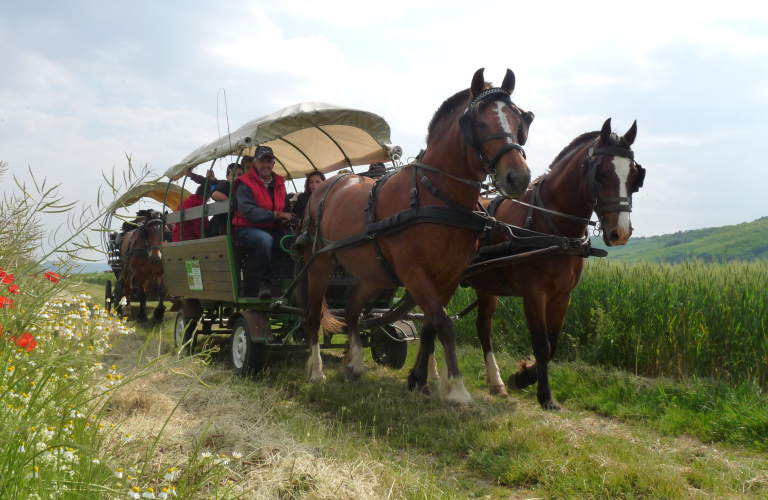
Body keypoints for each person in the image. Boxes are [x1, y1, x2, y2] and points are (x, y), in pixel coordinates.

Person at [232, 146, 292, 299]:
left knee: (295, 240)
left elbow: (286, 208)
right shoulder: (244, 183)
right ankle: (265, 283)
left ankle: (293, 283)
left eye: (269, 161)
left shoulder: (279, 183)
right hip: (245, 229)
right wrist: (276, 215)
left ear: (273, 164)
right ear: (255, 164)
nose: (266, 165)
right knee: (264, 240)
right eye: (262, 161)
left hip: (272, 228)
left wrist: (287, 218)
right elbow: (249, 212)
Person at [205, 162, 244, 237]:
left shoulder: (244, 189)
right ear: (227, 177)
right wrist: (233, 204)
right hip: (219, 230)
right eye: (233, 175)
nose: (237, 178)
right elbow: (215, 194)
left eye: (240, 175)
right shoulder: (227, 187)